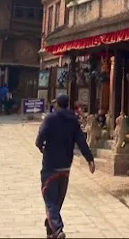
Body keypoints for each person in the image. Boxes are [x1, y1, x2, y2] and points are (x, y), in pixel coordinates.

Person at [35, 94, 95, 239]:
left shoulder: (50, 118)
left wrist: (41, 147)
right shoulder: (73, 120)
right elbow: (81, 141)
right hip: (65, 167)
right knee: (56, 203)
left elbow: (40, 138)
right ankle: (50, 230)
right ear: (67, 105)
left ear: (57, 104)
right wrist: (90, 159)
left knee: (50, 200)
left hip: (50, 166)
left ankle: (57, 229)